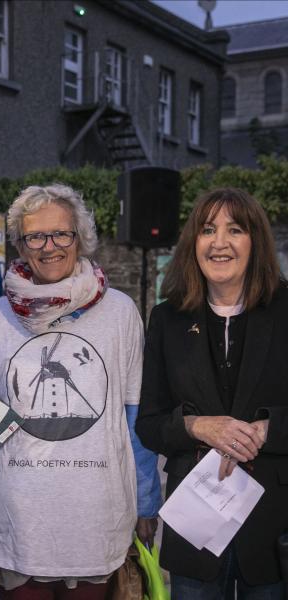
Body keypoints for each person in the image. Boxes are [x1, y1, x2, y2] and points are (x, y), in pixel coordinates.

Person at [0, 184, 161, 600]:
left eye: (61, 234)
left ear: (80, 237)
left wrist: (146, 504)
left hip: (96, 521)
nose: (49, 246)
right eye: (35, 236)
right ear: (21, 245)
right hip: (19, 525)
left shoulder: (120, 313)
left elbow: (134, 419)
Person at [136, 187, 288, 599]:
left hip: (273, 526)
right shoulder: (166, 318)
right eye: (207, 230)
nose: (219, 242)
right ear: (194, 243)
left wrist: (266, 429)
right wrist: (199, 426)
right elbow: (149, 424)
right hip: (196, 527)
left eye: (234, 230)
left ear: (254, 241)